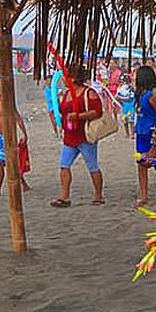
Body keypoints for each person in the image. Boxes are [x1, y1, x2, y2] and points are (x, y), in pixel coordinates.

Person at [51, 65, 103, 207]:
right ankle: (65, 196)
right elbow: (62, 110)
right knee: (64, 165)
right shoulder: (67, 93)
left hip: (85, 135)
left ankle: (98, 195)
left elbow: (98, 111)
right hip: (70, 135)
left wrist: (79, 116)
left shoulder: (88, 93)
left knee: (92, 166)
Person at [0, 78, 31, 196]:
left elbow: (18, 118)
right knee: (11, 164)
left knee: (0, 163)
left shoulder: (7, 103)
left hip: (8, 138)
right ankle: (24, 184)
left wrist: (24, 134)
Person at [134, 65, 156, 207]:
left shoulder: (151, 96)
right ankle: (143, 195)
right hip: (141, 132)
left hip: (151, 132)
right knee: (141, 164)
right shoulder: (139, 95)